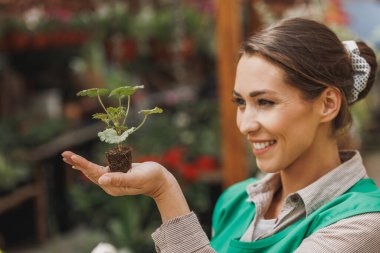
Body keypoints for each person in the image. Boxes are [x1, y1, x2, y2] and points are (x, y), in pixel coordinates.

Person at [62, 18, 380, 252]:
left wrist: (164, 190)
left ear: (327, 104)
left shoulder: (363, 222)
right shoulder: (235, 203)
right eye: (241, 103)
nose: (245, 125)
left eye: (265, 102)